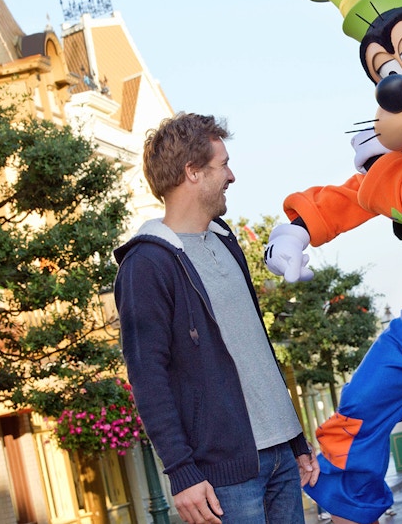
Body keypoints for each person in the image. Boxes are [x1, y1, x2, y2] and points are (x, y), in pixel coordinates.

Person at [113, 112, 319, 524]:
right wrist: (181, 472)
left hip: (280, 454)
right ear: (192, 173)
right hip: (224, 477)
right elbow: (148, 376)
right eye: (222, 164)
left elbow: (254, 347)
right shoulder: (147, 264)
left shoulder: (226, 240)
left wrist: (295, 439)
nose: (232, 175)